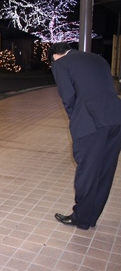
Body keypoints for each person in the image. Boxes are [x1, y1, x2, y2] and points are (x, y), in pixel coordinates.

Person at [47, 43, 121, 230]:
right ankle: (90, 217)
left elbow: (68, 98)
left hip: (91, 122)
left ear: (55, 56)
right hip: (116, 118)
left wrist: (77, 121)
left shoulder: (60, 63)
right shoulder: (99, 59)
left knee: (87, 172)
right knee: (105, 171)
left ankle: (81, 218)